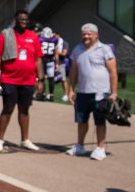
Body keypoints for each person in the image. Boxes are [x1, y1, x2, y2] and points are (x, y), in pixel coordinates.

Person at [0, 10, 44, 152]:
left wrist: (40, 79)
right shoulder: (6, 35)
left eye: (26, 20)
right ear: (15, 19)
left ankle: (25, 140)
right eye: (21, 19)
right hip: (9, 79)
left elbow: (38, 59)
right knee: (8, 109)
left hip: (28, 81)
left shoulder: (33, 36)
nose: (24, 22)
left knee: (24, 110)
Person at [65, 23, 119, 160]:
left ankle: (100, 148)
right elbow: (73, 71)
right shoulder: (77, 49)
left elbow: (113, 72)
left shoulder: (105, 49)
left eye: (89, 34)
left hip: (101, 92)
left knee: (99, 120)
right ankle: (80, 146)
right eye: (83, 34)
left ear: (96, 35)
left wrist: (114, 92)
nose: (86, 36)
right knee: (81, 120)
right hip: (82, 91)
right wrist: (71, 89)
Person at [38, 27, 61, 101]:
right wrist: (57, 64)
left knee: (42, 78)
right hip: (50, 60)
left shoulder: (40, 39)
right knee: (51, 79)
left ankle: (43, 94)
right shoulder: (55, 40)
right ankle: (51, 95)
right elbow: (56, 53)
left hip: (42, 60)